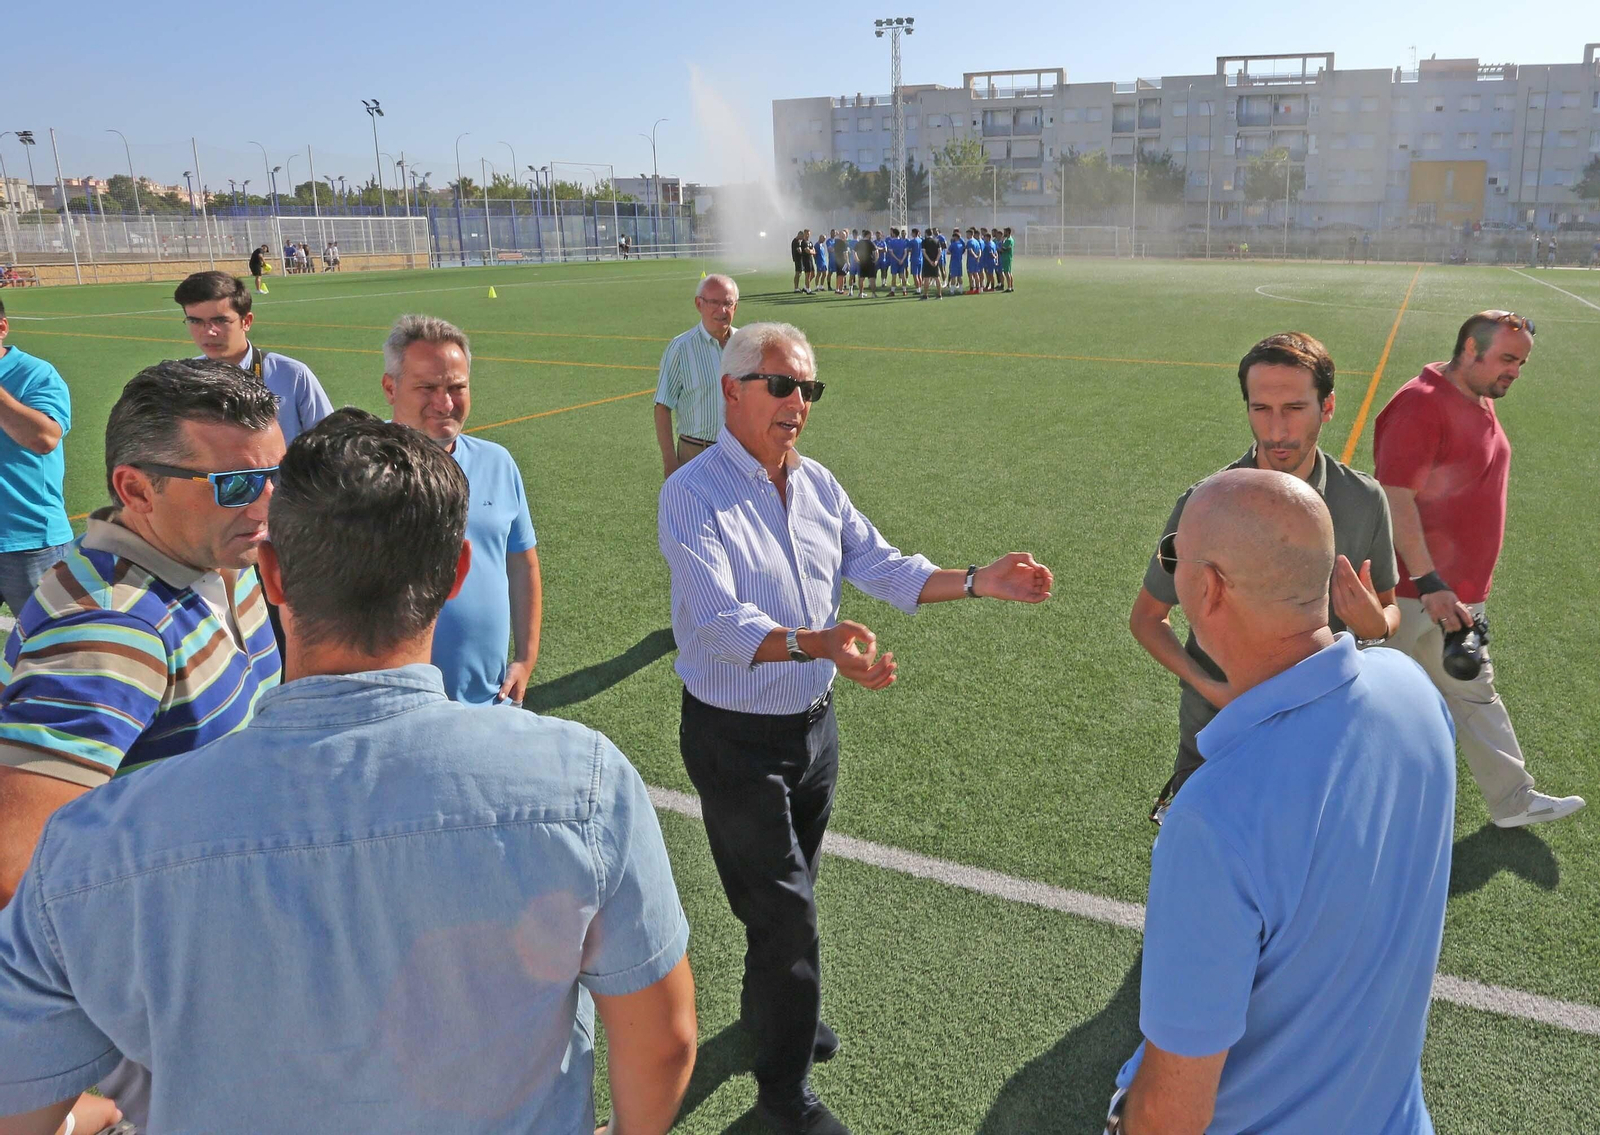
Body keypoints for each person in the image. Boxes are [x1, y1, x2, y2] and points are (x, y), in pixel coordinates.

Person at [0, 408, 696, 1135]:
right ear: (456, 574)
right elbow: (665, 1041)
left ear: (272, 574)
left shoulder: (94, 844)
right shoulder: (586, 786)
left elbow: (19, 1099)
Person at [659, 321, 1052, 1135]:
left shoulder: (818, 483)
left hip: (812, 732)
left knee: (788, 900)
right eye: (781, 384)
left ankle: (774, 1009)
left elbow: (881, 564)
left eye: (809, 388)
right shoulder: (692, 493)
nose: (798, 402)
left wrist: (977, 581)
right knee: (787, 915)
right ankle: (784, 1097)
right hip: (735, 741)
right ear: (731, 389)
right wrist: (820, 642)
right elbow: (721, 623)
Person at [1105, 468, 1456, 1135]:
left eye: (1174, 556)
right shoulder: (1413, 692)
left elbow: (1171, 1115)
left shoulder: (1214, 816)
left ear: (1208, 589)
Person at [0, 359, 285, 1127]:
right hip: (179, 1001)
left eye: (277, 475)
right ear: (136, 489)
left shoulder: (220, 559)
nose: (267, 503)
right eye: (237, 482)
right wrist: (152, 1006)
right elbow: (16, 872)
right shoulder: (111, 631)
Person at [1131, 332, 1401, 820]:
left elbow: (1389, 607)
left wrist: (1377, 626)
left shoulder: (1363, 500)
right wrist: (1211, 689)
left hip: (1319, 730)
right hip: (1219, 729)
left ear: (1327, 406)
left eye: (1294, 408)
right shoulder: (1206, 505)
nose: (1276, 430)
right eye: (1261, 409)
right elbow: (1147, 618)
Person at [1373, 310, 1585, 827]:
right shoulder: (1420, 406)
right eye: (1507, 359)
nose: (1514, 371)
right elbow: (1394, 499)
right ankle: (1338, 810)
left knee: (1474, 693)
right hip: (1410, 595)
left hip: (1455, 595)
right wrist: (1428, 581)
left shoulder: (1477, 395)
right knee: (1368, 703)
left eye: (1521, 363)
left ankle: (1513, 800)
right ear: (1470, 348)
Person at [382, 315, 541, 708]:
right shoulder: (362, 470)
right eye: (427, 388)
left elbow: (522, 564)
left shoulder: (498, 463)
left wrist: (525, 658)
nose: (445, 403)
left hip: (491, 701)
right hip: (396, 707)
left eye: (457, 387)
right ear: (390, 388)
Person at [175, 270, 333, 446]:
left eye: (220, 320)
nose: (208, 332)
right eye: (195, 321)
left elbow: (330, 444)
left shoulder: (292, 375)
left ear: (246, 321)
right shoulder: (184, 381)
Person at [0, 298, 73, 617]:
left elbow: (43, 439)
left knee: (54, 641)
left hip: (30, 542)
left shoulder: (35, 374)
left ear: (2, 328)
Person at [655, 273, 739, 476]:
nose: (722, 310)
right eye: (714, 303)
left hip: (739, 453)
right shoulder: (681, 348)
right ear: (699, 304)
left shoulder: (746, 345)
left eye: (727, 303)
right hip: (695, 453)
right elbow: (662, 407)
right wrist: (670, 462)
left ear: (735, 306)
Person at [918, 228, 942, 299]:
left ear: (926, 233)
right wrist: (936, 260)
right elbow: (940, 251)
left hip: (927, 262)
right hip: (935, 262)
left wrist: (929, 261)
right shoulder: (937, 240)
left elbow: (924, 252)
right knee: (937, 278)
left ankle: (925, 295)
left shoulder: (924, 241)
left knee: (927, 278)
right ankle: (939, 294)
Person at [854, 228, 877, 298]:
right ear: (868, 235)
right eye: (871, 235)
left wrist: (857, 259)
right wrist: (876, 260)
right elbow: (876, 252)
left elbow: (854, 252)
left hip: (862, 262)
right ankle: (873, 294)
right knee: (872, 279)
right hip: (870, 262)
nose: (872, 236)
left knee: (861, 278)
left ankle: (861, 293)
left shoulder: (859, 242)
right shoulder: (871, 243)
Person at [947, 228, 966, 295]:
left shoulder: (953, 244)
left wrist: (952, 252)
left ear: (955, 237)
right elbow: (963, 250)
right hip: (959, 262)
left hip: (953, 262)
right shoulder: (961, 245)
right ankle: (961, 290)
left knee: (953, 276)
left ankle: (952, 290)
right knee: (959, 276)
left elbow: (948, 252)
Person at [1000, 227, 1016, 292]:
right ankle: (1011, 286)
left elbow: (1003, 248)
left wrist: (1001, 242)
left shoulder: (1008, 240)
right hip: (1008, 257)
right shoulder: (1010, 239)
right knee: (1009, 272)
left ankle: (1009, 287)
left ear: (1008, 232)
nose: (1004, 233)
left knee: (1006, 272)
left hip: (1006, 258)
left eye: (1005, 232)